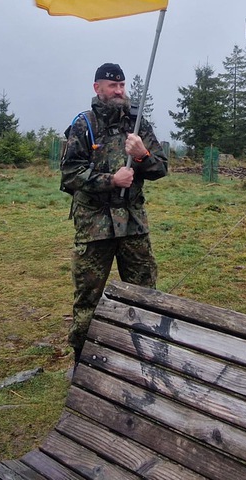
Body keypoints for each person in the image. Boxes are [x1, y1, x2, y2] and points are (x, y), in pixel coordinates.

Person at [60, 62, 168, 361]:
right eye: (112, 85)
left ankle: (145, 354)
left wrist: (142, 155)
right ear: (98, 88)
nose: (119, 91)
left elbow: (161, 168)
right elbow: (69, 174)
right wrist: (111, 180)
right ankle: (84, 359)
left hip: (132, 223)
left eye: (122, 85)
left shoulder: (137, 124)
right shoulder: (85, 124)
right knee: (89, 295)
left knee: (145, 292)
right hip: (95, 225)